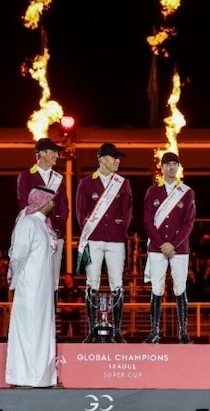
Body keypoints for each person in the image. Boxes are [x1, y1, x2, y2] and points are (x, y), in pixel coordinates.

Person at [76, 142, 133, 343]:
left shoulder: (123, 183)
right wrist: (90, 229)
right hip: (93, 238)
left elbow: (127, 212)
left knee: (117, 283)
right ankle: (92, 329)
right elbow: (80, 212)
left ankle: (116, 330)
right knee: (92, 282)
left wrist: (119, 229)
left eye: (118, 158)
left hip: (116, 240)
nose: (117, 161)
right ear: (101, 159)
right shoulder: (86, 183)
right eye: (113, 157)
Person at [5, 186, 58, 388]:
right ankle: (25, 377)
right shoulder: (27, 223)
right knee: (29, 330)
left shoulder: (43, 225)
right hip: (30, 289)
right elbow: (17, 255)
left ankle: (43, 377)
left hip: (42, 289)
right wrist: (16, 281)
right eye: (51, 200)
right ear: (42, 201)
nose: (53, 204)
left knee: (43, 329)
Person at [16, 137, 70, 333]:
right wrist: (41, 227)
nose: (56, 155)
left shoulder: (60, 178)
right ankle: (32, 322)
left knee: (53, 279)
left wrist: (57, 228)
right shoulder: (26, 176)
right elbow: (24, 205)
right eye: (53, 151)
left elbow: (64, 206)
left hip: (55, 234)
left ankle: (51, 324)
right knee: (34, 277)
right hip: (35, 235)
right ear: (41, 154)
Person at [143, 151, 196, 344]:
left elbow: (189, 223)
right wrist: (161, 243)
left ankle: (183, 332)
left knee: (180, 288)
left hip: (179, 248)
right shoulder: (152, 191)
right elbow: (148, 222)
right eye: (168, 164)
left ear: (178, 167)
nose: (172, 168)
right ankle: (154, 331)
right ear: (162, 168)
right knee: (157, 288)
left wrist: (173, 244)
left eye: (175, 164)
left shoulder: (187, 192)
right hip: (157, 247)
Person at [57, 272, 83, 340]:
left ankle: (77, 344)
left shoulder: (78, 289)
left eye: (67, 278)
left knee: (76, 330)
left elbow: (79, 300)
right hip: (64, 313)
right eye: (65, 278)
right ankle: (62, 344)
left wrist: (72, 308)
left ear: (71, 279)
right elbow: (60, 301)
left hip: (75, 313)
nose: (65, 279)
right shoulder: (62, 290)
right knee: (63, 330)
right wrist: (66, 308)